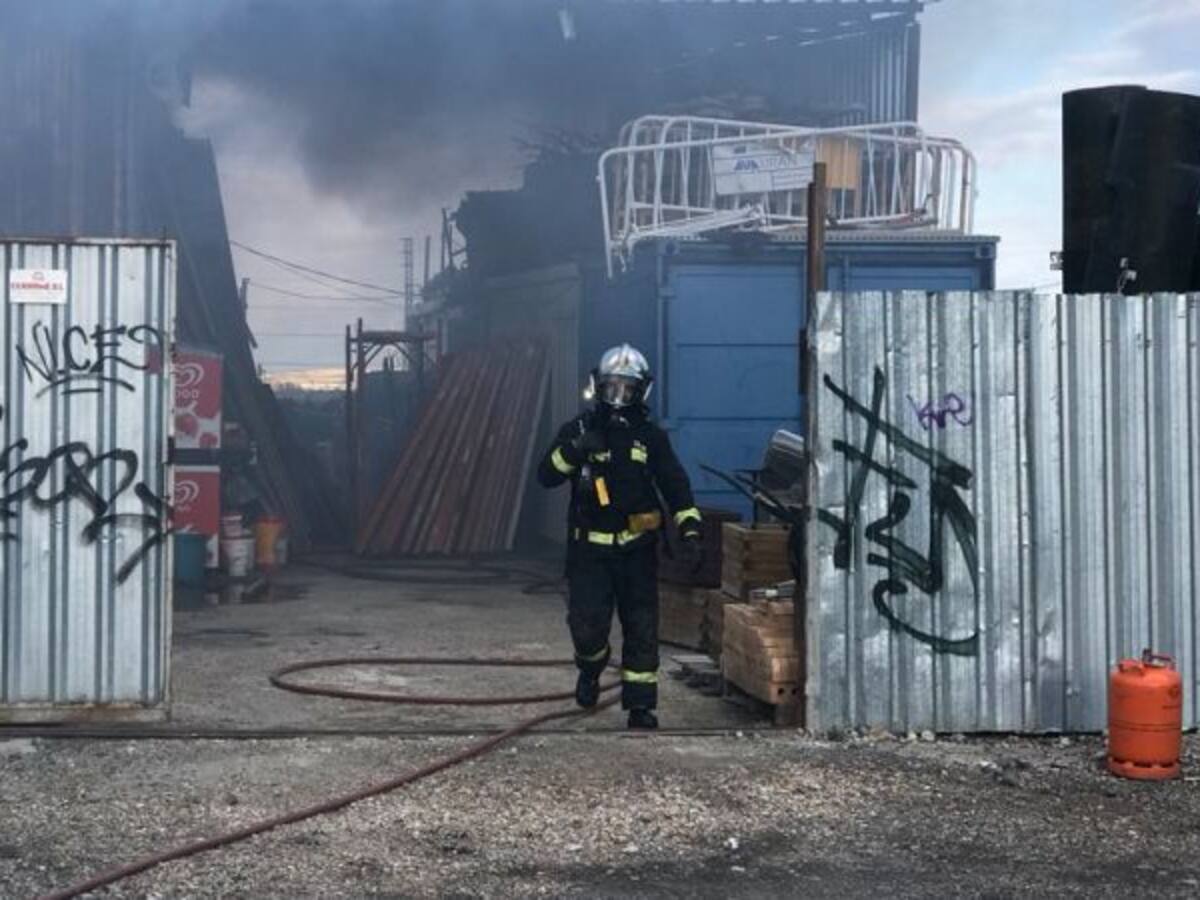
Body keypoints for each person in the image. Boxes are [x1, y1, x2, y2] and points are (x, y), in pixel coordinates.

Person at [537, 343, 703, 730]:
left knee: (642, 628)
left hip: (637, 553)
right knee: (587, 628)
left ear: (641, 391)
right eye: (612, 387)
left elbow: (675, 484)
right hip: (588, 554)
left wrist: (690, 529)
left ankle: (641, 707)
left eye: (628, 389)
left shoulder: (651, 437)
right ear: (598, 386)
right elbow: (546, 475)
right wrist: (575, 451)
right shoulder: (579, 430)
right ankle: (590, 668)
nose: (619, 396)